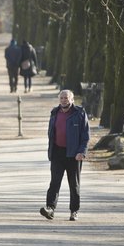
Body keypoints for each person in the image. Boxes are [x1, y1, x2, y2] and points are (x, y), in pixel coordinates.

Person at [40, 90, 90, 221]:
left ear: (72, 99)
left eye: (66, 98)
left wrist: (82, 152)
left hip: (74, 154)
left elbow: (85, 136)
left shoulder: (79, 113)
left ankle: (74, 211)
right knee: (54, 182)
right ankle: (50, 208)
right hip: (57, 153)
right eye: (61, 98)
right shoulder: (54, 113)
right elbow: (51, 133)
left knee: (74, 184)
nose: (63, 100)